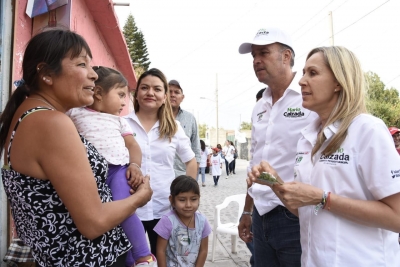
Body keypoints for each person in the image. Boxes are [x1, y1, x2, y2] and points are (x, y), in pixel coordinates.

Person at [0, 30, 152, 266]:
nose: (93, 75)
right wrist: (139, 198)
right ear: (47, 74)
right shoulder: (52, 123)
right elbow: (93, 223)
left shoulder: (27, 116)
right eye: (82, 64)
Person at [249, 46, 400, 266]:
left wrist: (323, 198)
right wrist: (275, 183)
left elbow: (396, 217)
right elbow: (307, 210)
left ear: (339, 82)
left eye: (313, 73)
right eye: (302, 73)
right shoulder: (309, 136)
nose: (301, 81)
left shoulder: (368, 130)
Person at [237, 27, 317, 267]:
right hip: (261, 215)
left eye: (263, 53)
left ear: (286, 56)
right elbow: (254, 164)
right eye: (253, 56)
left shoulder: (309, 98)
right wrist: (247, 211)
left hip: (294, 216)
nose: (256, 61)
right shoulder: (259, 107)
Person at [66, 66, 155, 266]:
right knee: (103, 217)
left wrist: (135, 165)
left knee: (125, 210)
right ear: (98, 93)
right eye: (121, 95)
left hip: (117, 171)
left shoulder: (120, 121)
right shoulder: (74, 113)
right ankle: (130, 257)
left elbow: (133, 145)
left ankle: (143, 255)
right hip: (88, 176)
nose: (124, 102)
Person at [124, 68, 197, 257]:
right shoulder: (122, 124)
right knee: (133, 261)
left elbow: (191, 161)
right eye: (145, 88)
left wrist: (185, 198)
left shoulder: (174, 127)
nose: (150, 93)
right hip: (129, 209)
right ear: (136, 93)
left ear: (164, 96)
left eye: (157, 89)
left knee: (167, 260)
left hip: (164, 208)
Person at [154, 175, 211, 267]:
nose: (188, 205)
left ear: (199, 199)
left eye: (193, 199)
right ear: (172, 200)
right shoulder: (167, 221)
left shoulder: (202, 222)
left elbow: (203, 250)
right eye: (182, 200)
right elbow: (161, 251)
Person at [169, 79, 201, 177]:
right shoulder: (155, 117)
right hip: (160, 177)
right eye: (169, 91)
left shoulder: (190, 118)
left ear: (182, 97)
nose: (173, 95)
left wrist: (192, 179)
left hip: (183, 176)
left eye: (176, 92)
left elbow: (196, 149)